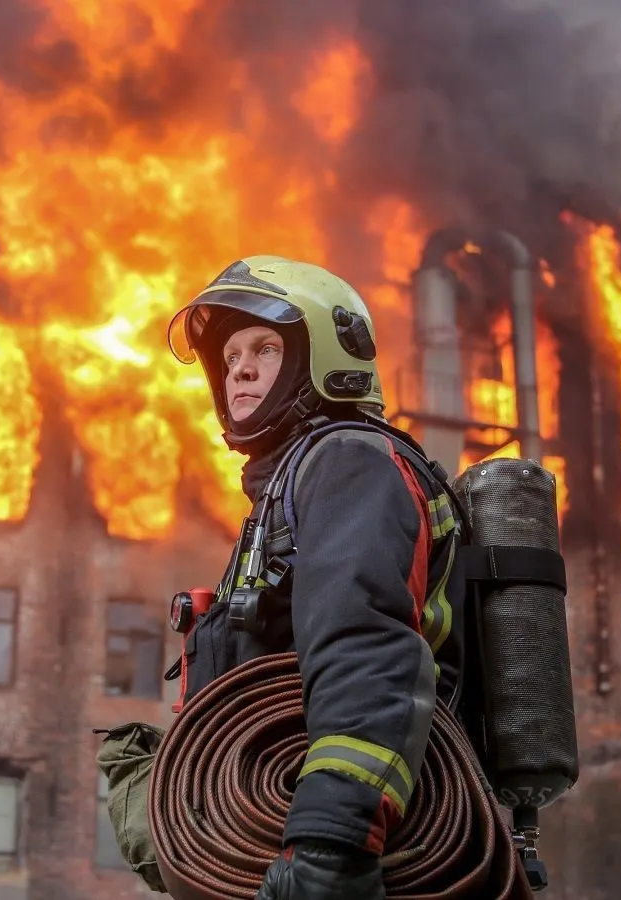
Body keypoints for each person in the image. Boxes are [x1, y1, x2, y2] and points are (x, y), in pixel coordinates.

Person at [166, 256, 467, 900]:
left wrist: (331, 850)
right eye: (230, 355)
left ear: (323, 357)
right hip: (265, 849)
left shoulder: (348, 460)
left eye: (265, 348)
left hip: (341, 855)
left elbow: (365, 648)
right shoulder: (288, 487)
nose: (238, 368)